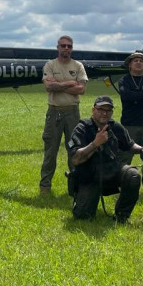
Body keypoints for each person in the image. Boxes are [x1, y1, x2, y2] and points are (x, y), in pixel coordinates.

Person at [67, 96, 143, 222]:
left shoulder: (116, 127)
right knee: (83, 217)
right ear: (93, 110)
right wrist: (95, 143)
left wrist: (142, 149)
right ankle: (82, 201)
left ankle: (121, 216)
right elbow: (75, 159)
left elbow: (130, 145)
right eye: (101, 109)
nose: (104, 113)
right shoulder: (82, 129)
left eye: (108, 110)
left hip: (111, 172)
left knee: (133, 175)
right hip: (90, 176)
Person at [39, 35, 88, 195]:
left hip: (72, 112)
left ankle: (75, 187)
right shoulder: (50, 65)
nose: (66, 48)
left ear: (71, 48)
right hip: (54, 112)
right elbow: (48, 86)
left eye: (69, 46)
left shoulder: (78, 66)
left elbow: (81, 89)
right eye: (63, 46)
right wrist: (69, 83)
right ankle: (45, 187)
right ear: (58, 47)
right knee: (50, 151)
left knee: (74, 149)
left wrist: (57, 85)